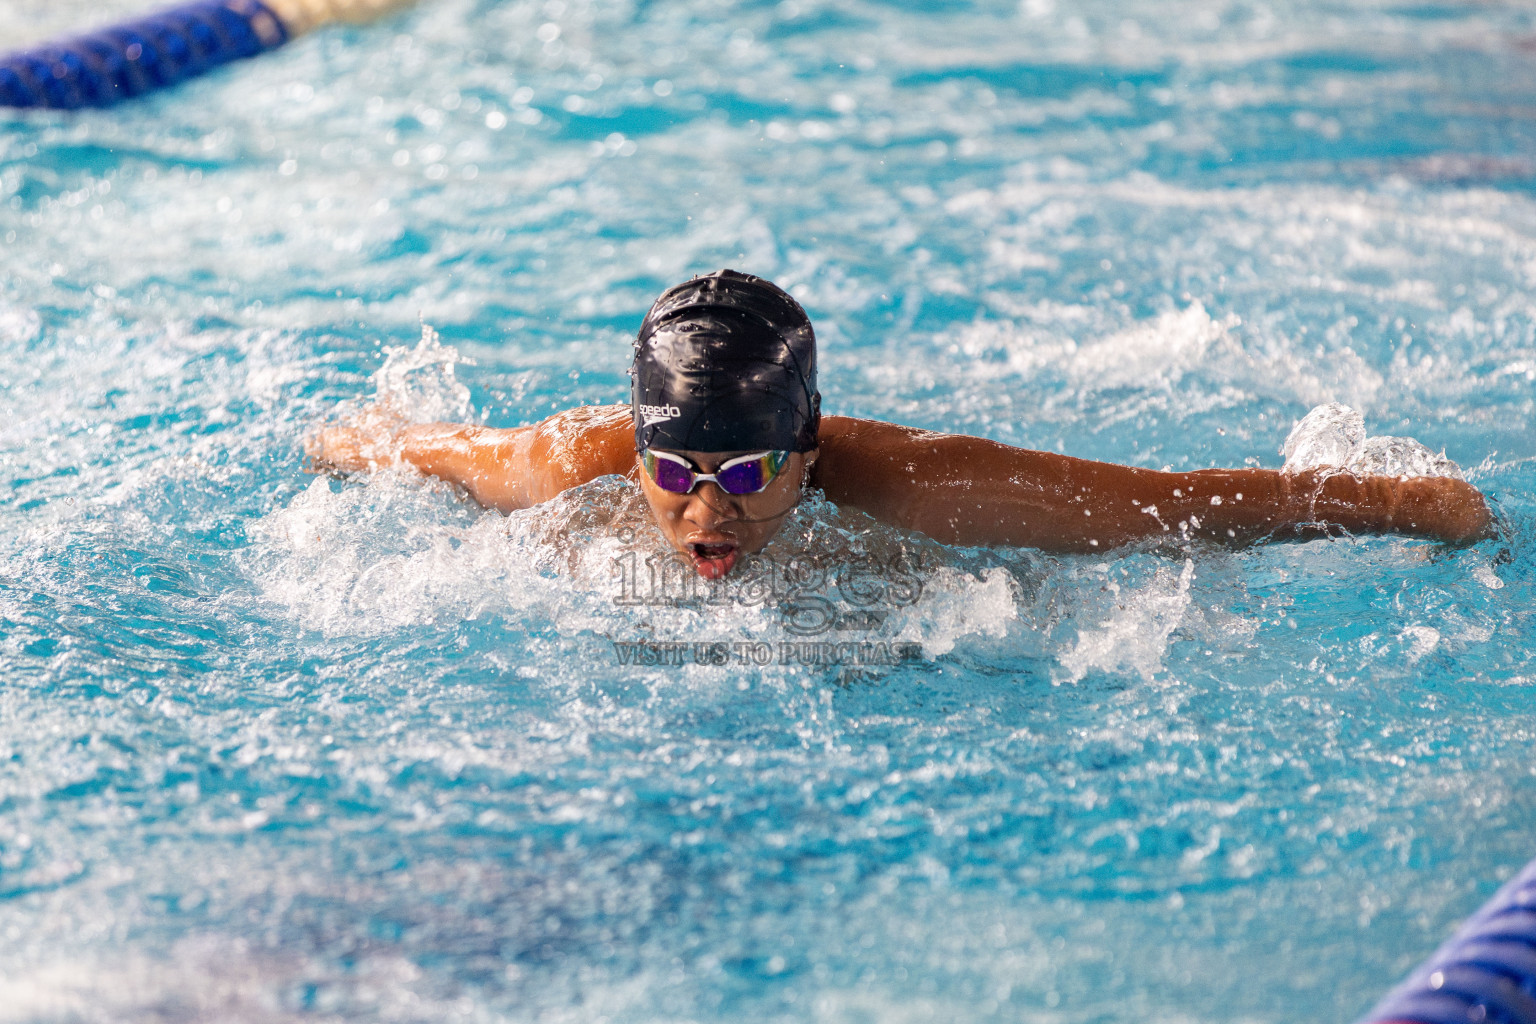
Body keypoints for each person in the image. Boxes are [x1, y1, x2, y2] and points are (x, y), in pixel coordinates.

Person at [308, 269, 1493, 579]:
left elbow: (1159, 504)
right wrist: (348, 441)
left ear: (809, 452)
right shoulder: (572, 464)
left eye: (748, 468)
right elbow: (414, 449)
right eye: (672, 466)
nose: (703, 507)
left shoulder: (919, 487)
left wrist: (1392, 502)